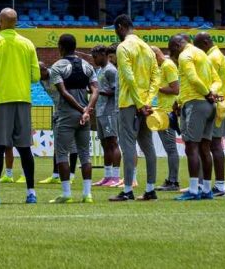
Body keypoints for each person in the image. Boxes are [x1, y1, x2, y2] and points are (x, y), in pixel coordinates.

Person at [0, 8, 40, 205]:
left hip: (1, 99)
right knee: (24, 148)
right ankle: (31, 193)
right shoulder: (27, 43)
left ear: (0, 21)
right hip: (23, 99)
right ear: (16, 22)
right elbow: (36, 77)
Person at [109, 15, 160, 202]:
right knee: (148, 146)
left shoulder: (123, 47)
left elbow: (129, 77)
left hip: (129, 103)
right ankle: (150, 189)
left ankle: (128, 189)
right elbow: (156, 78)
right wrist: (147, 101)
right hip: (145, 104)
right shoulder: (147, 48)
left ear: (120, 27)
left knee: (128, 145)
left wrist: (139, 103)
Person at [47, 34, 99, 204]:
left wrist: (81, 109)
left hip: (66, 115)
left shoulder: (57, 67)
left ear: (60, 47)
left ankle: (66, 194)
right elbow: (95, 90)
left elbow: (63, 92)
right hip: (84, 116)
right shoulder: (87, 65)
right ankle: (87, 194)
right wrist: (87, 110)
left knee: (62, 154)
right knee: (85, 154)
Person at [170, 34, 221, 201]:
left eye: (172, 52)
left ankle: (193, 190)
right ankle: (206, 189)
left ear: (177, 45)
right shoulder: (203, 55)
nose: (174, 56)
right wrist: (211, 93)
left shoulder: (185, 55)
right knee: (205, 148)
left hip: (195, 103)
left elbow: (192, 79)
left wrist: (206, 93)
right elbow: (217, 80)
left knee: (191, 147)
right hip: (209, 106)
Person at [195, 32, 225, 197]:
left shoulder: (212, 58)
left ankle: (220, 186)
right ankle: (205, 184)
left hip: (216, 105)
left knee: (214, 145)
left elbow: (210, 83)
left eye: (198, 47)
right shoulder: (216, 55)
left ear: (205, 43)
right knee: (210, 145)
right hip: (219, 104)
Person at [90, 45, 121, 188]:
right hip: (100, 111)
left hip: (110, 111)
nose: (94, 59)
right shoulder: (100, 70)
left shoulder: (111, 70)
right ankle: (107, 176)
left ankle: (116, 176)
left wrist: (97, 92)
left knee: (113, 142)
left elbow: (116, 91)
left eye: (95, 56)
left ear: (103, 54)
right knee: (104, 144)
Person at [153, 46, 181, 193]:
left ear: (155, 55)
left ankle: (173, 181)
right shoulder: (163, 66)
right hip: (163, 111)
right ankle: (172, 180)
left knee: (171, 148)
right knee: (169, 148)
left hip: (168, 112)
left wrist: (157, 87)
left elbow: (175, 89)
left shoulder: (168, 66)